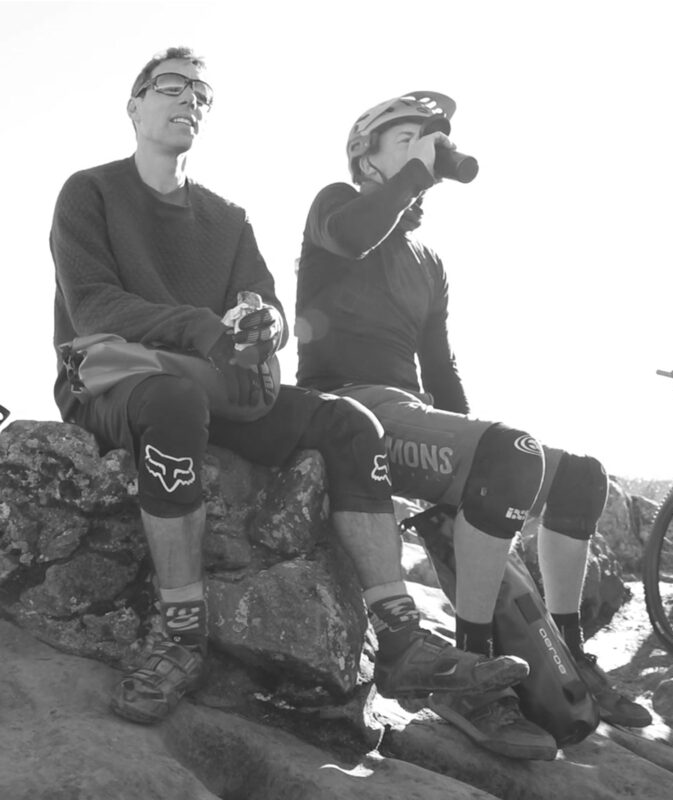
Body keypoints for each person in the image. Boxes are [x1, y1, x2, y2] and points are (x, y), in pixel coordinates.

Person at [50, 54, 530, 727]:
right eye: (171, 86)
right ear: (134, 107)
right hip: (113, 380)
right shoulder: (90, 192)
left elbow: (269, 304)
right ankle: (180, 635)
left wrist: (263, 326)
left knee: (351, 422)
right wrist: (199, 326)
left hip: (214, 382)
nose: (189, 99)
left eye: (201, 93)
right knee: (176, 403)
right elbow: (94, 305)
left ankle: (400, 641)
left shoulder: (228, 217)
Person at [294, 91, 653, 757]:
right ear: (366, 159)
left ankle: (568, 655)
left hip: (414, 413)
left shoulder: (428, 262)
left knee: (579, 476)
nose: (426, 152)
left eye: (432, 141)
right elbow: (351, 235)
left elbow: (440, 366)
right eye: (406, 140)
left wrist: (474, 462)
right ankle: (471, 677)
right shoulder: (334, 207)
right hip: (350, 408)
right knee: (509, 455)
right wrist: (416, 173)